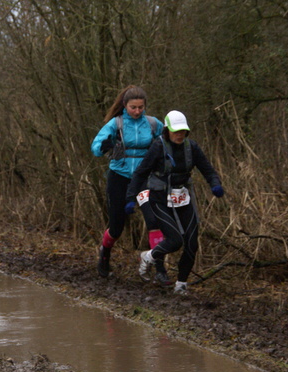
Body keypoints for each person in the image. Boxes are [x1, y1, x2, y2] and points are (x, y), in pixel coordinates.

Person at [126, 110, 224, 293]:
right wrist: (131, 199)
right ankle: (148, 257)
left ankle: (181, 284)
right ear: (167, 130)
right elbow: (140, 173)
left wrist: (215, 184)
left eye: (183, 131)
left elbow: (208, 170)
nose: (179, 135)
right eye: (176, 131)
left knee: (192, 243)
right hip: (160, 199)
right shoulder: (157, 147)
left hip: (183, 198)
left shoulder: (192, 147)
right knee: (174, 240)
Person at [91, 85, 169, 284]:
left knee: (154, 221)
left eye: (141, 107)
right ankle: (105, 254)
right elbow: (95, 147)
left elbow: (167, 141)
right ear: (125, 105)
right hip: (120, 178)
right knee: (117, 227)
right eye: (133, 107)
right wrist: (105, 146)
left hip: (143, 179)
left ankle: (160, 269)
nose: (137, 111)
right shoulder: (115, 124)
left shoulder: (153, 124)